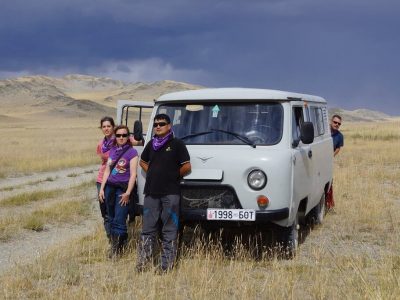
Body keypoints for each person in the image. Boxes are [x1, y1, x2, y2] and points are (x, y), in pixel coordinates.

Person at [136, 113, 191, 273]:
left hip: (170, 193)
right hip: (151, 192)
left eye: (162, 124)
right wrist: (152, 172)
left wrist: (173, 176)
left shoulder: (177, 144)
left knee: (169, 230)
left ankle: (166, 266)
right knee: (148, 229)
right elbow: (142, 162)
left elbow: (187, 167)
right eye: (156, 124)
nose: (158, 126)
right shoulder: (151, 144)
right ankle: (143, 263)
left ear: (169, 126)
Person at [99, 125, 138, 258]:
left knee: (120, 218)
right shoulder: (113, 150)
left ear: (128, 137)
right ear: (115, 136)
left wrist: (128, 193)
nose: (121, 137)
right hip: (110, 187)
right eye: (119, 135)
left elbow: (133, 175)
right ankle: (118, 243)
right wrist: (102, 188)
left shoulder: (132, 152)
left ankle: (117, 250)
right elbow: (107, 171)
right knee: (111, 217)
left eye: (124, 135)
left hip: (122, 190)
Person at [96, 116, 115, 241]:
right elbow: (103, 161)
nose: (106, 128)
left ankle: (117, 237)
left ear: (113, 127)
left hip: (116, 179)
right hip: (101, 179)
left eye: (108, 126)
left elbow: (135, 141)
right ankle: (110, 237)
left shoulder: (120, 138)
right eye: (104, 126)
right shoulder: (101, 144)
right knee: (104, 211)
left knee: (113, 209)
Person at [326, 114, 344, 210]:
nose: (337, 124)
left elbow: (338, 148)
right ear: (331, 121)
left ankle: (328, 204)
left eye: (339, 124)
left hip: (328, 161)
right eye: (335, 122)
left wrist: (332, 155)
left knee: (328, 181)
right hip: (317, 158)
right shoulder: (324, 132)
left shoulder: (340, 136)